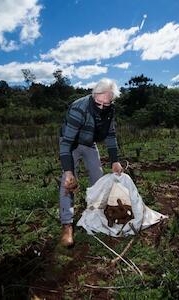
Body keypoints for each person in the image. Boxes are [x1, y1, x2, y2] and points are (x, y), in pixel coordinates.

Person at [58, 78, 123, 247]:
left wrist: (115, 161)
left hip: (89, 143)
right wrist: (69, 171)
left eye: (106, 104)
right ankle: (67, 225)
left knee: (98, 178)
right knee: (68, 183)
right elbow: (66, 142)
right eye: (98, 102)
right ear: (94, 95)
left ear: (111, 101)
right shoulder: (79, 108)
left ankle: (95, 213)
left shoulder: (110, 111)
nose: (101, 107)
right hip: (71, 142)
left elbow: (110, 135)